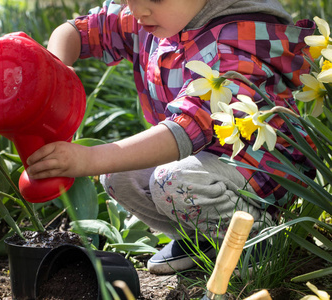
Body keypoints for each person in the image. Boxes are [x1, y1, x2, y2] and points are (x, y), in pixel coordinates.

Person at [26, 0, 316, 274]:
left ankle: (257, 238)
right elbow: (80, 31)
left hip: (255, 167)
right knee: (117, 174)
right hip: (196, 159)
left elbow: (185, 130)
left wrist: (89, 158)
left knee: (170, 181)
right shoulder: (153, 16)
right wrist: (57, 70)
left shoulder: (234, 42)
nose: (139, 10)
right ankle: (201, 239)